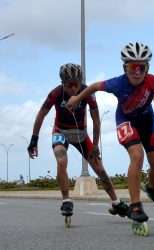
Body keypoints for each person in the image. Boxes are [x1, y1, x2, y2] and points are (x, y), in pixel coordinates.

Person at [65, 42, 154, 227]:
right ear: (124, 68)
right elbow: (94, 87)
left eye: (141, 67)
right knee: (137, 156)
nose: (137, 71)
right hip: (125, 121)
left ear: (147, 68)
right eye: (132, 67)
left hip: (147, 123)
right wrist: (77, 98)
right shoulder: (118, 83)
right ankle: (136, 205)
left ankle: (153, 189)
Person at [27, 63, 129, 218]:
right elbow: (41, 114)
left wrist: (95, 145)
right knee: (61, 161)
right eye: (70, 85)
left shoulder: (87, 92)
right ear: (63, 83)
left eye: (77, 84)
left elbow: (96, 120)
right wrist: (34, 139)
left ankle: (116, 202)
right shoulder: (55, 93)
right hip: (60, 131)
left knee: (100, 170)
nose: (74, 89)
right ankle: (66, 200)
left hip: (81, 134)